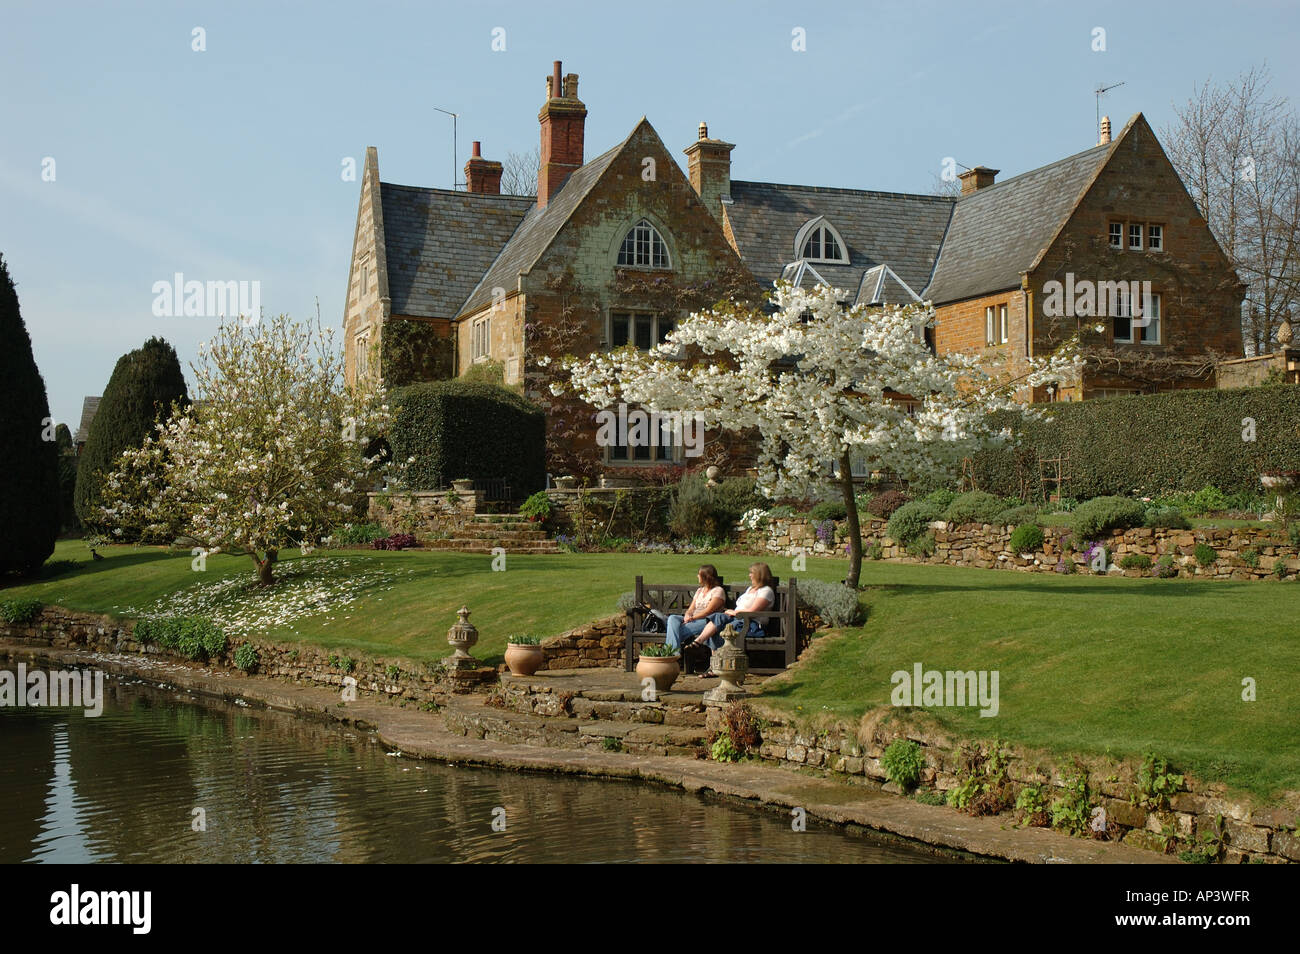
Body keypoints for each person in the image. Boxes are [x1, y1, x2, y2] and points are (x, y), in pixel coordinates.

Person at [690, 562, 775, 658]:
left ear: (759, 575)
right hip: (738, 620)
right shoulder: (750, 589)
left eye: (752, 573)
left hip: (750, 624)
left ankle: (714, 665)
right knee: (717, 617)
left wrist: (734, 612)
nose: (749, 575)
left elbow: (752, 611)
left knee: (719, 631)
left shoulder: (766, 591)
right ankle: (701, 644)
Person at [665, 565, 726, 653]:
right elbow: (691, 608)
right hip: (692, 619)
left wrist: (692, 618)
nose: (697, 576)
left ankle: (670, 655)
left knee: (676, 631)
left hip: (706, 621)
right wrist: (687, 615)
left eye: (699, 574)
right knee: (672, 618)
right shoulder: (699, 591)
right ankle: (672, 655)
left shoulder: (718, 591)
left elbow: (708, 612)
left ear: (706, 577)